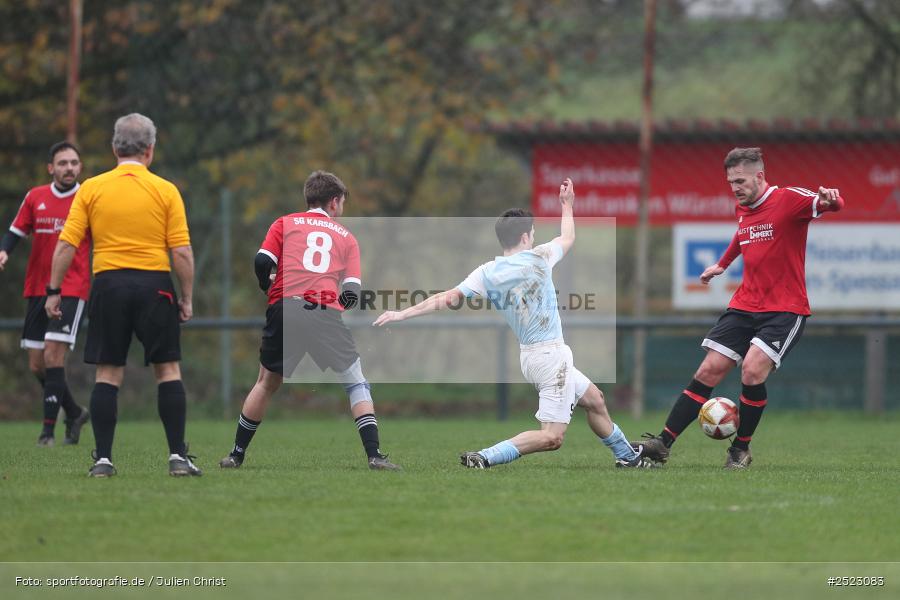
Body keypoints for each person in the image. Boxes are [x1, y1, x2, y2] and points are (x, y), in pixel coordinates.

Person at [374, 179, 655, 469]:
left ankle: (627, 457)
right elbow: (568, 237)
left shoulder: (486, 272)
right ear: (525, 236)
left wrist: (402, 313)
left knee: (595, 399)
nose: (533, 237)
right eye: (532, 233)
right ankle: (485, 456)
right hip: (550, 357)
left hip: (531, 357)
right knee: (552, 437)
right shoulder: (539, 258)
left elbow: (448, 298)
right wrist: (567, 205)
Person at [634, 147, 844, 469]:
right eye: (731, 181)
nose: (735, 187)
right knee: (708, 370)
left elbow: (829, 204)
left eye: (741, 180)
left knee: (751, 369)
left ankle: (740, 450)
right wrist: (722, 264)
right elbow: (742, 234)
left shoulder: (788, 199)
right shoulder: (743, 208)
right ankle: (662, 444)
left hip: (785, 308)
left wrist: (832, 199)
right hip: (745, 304)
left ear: (760, 176)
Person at [46, 113, 200, 478]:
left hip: (109, 285)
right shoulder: (165, 190)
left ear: (115, 148)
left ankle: (103, 460)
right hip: (155, 285)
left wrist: (54, 291)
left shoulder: (92, 189)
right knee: (167, 370)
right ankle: (177, 456)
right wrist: (187, 297)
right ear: (150, 150)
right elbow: (181, 252)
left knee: (108, 373)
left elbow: (67, 245)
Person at [218, 170, 401, 471]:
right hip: (323, 311)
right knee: (355, 382)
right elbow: (352, 291)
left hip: (284, 307)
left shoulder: (284, 223)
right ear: (334, 201)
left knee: (266, 382)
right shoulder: (346, 237)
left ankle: (236, 454)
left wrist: (269, 287)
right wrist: (335, 309)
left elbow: (263, 261)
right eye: (342, 202)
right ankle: (375, 456)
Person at [0, 142, 91, 446]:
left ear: (80, 167)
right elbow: (16, 231)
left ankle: (48, 432)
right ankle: (75, 411)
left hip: (72, 287)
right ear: (51, 168)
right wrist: (3, 251)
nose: (69, 168)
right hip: (37, 287)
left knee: (54, 353)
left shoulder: (87, 198)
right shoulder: (35, 197)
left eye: (74, 163)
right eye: (62, 163)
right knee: (37, 364)